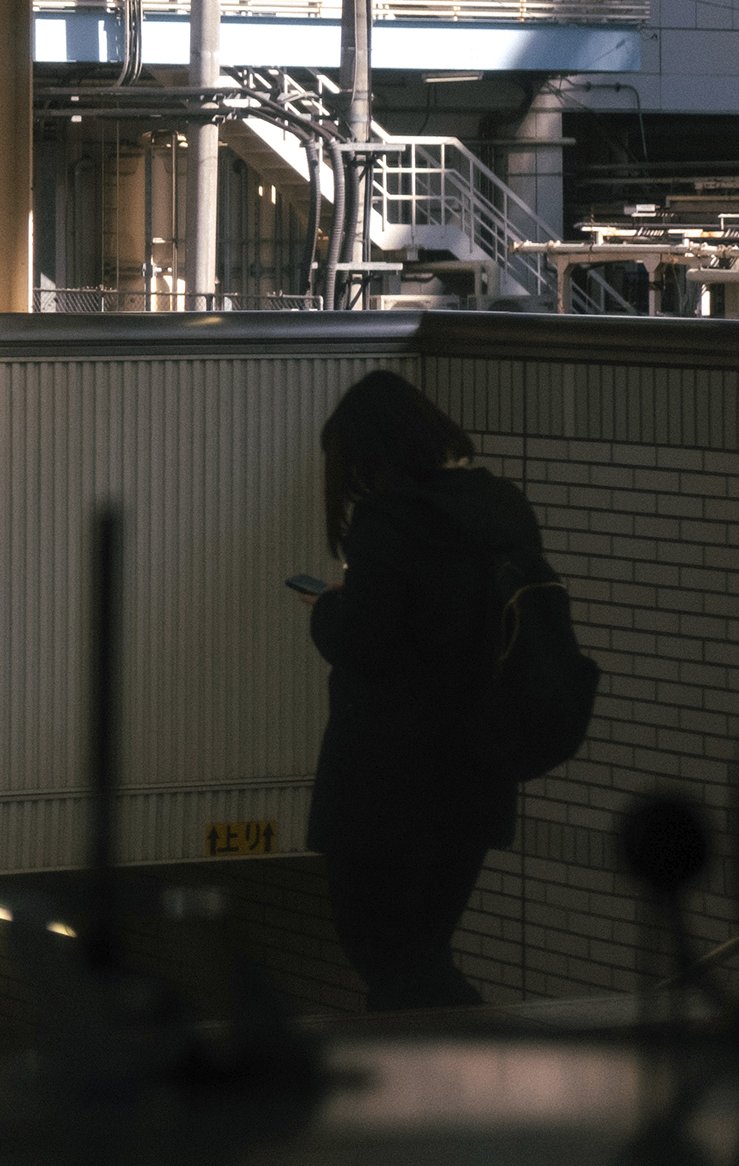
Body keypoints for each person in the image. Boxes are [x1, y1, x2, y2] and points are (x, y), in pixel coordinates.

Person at [297, 368, 551, 1011]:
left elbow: (370, 648)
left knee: (379, 946)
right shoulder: (501, 509)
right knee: (422, 947)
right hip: (476, 775)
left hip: (387, 783)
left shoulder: (392, 526)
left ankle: (469, 1069)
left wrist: (329, 610)